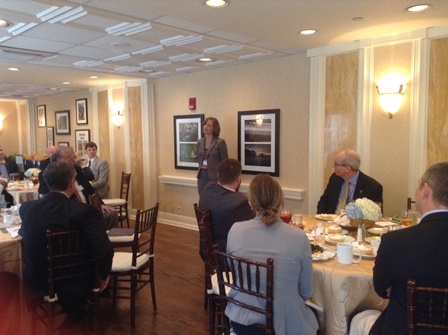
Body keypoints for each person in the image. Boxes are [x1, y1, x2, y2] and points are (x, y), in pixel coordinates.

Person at [350, 162, 448, 335]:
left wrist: (396, 287)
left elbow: (381, 290)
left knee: (358, 319)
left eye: (418, 185)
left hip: (404, 330)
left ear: (426, 190)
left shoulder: (396, 242)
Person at [226, 174, 318, 335]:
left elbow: (233, 270)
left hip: (242, 320)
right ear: (281, 201)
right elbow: (305, 291)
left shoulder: (235, 230)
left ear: (250, 203)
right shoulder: (299, 237)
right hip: (283, 325)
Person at [18, 161, 114, 313]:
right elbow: (103, 249)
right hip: (77, 281)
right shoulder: (86, 212)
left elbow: (25, 236)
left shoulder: (27, 209)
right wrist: (104, 274)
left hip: (39, 282)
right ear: (71, 184)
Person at [40, 146, 118, 229]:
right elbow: (46, 194)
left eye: (73, 155)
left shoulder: (76, 169)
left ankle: (108, 239)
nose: (74, 159)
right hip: (70, 211)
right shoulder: (50, 173)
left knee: (111, 214)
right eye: (70, 157)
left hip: (88, 206)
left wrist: (100, 204)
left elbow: (89, 188)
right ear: (59, 160)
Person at [198, 158, 255, 255]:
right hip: (227, 255)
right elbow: (255, 226)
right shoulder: (239, 203)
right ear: (238, 180)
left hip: (207, 250)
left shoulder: (207, 190)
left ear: (217, 175)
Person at [317, 148, 383, 214]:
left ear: (347, 168)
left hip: (355, 223)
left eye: (336, 164)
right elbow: (323, 202)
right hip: (331, 222)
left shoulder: (373, 187)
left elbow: (376, 214)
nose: (333, 166)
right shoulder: (335, 178)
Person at [197, 117, 228, 195]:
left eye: (209, 125)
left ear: (214, 128)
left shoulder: (220, 142)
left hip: (214, 177)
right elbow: (199, 158)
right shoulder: (200, 142)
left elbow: (225, 162)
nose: (205, 127)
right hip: (201, 175)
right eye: (205, 125)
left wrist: (221, 176)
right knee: (203, 198)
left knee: (214, 199)